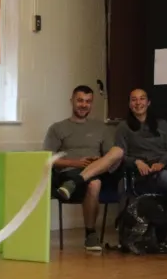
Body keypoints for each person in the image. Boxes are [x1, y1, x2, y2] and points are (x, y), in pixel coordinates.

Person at [43, 85, 124, 251]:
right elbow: (47, 158)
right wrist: (76, 163)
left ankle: (76, 181)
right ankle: (90, 234)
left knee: (118, 151)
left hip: (97, 172)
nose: (84, 105)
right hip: (68, 174)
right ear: (71, 101)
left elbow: (110, 157)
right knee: (94, 183)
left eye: (88, 101)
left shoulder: (101, 128)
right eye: (80, 100)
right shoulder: (57, 128)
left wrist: (98, 160)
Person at [114, 87, 167, 226]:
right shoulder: (123, 127)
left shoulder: (162, 124)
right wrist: (136, 161)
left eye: (142, 99)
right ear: (129, 104)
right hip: (145, 173)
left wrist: (162, 163)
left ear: (148, 102)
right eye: (134, 100)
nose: (138, 103)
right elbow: (118, 154)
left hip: (164, 165)